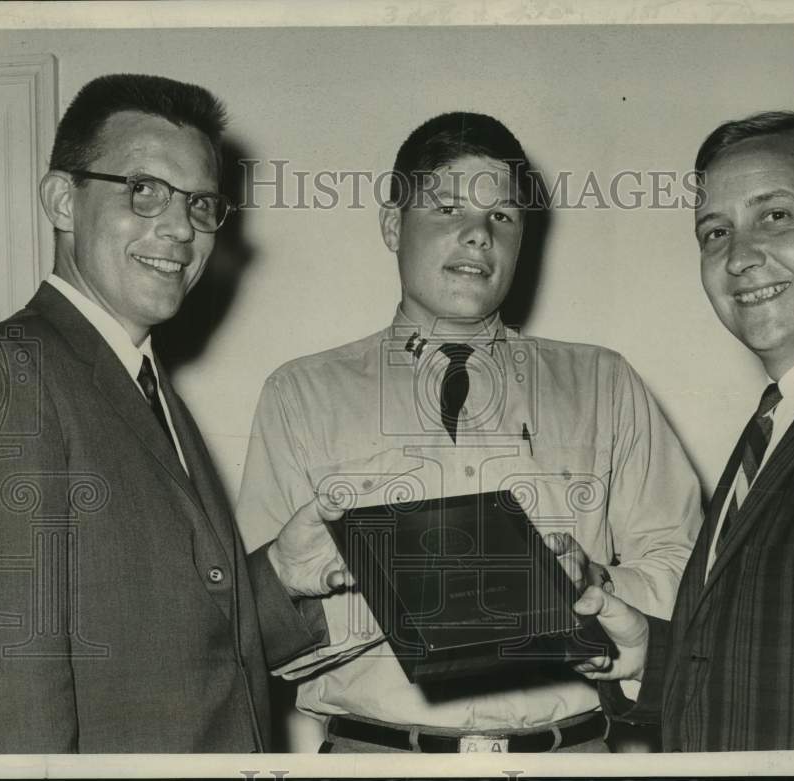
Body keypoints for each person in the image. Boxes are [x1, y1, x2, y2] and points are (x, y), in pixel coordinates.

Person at [236, 111, 702, 753]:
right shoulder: (299, 394)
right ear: (393, 224)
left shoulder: (606, 382)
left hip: (568, 758)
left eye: (503, 217)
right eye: (449, 207)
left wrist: (589, 586)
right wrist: (398, 602)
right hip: (375, 760)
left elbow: (687, 573)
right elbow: (252, 623)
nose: (479, 234)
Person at [0, 73, 349, 753]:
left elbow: (182, 658)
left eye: (201, 203)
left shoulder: (147, 385)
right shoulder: (9, 371)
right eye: (143, 190)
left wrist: (279, 576)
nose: (181, 227)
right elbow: (13, 695)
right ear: (63, 199)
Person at [570, 111, 794, 750]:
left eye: (776, 216)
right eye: (714, 232)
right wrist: (650, 653)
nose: (738, 257)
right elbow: (786, 676)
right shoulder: (779, 418)